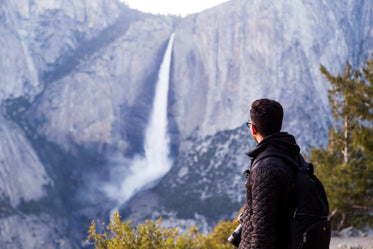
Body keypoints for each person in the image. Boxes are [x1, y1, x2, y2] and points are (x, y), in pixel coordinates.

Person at [238, 98, 301, 249]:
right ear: (280, 126)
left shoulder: (264, 169)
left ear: (253, 129)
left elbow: (262, 233)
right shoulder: (292, 155)